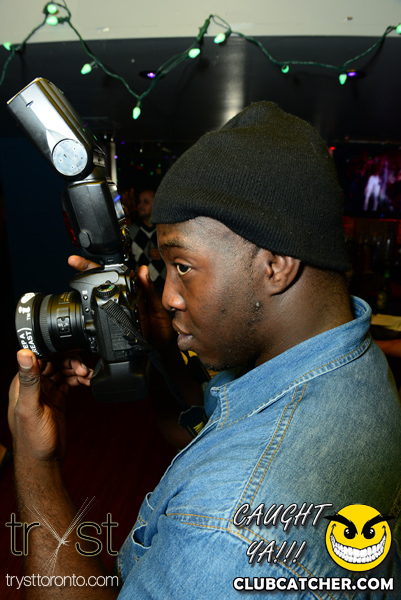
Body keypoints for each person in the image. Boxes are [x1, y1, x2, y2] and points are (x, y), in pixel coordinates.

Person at [8, 102, 401, 599]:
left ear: (276, 265)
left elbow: (236, 481)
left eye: (183, 267)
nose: (168, 296)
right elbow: (213, 433)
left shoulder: (232, 528)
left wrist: (35, 463)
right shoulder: (347, 360)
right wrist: (159, 346)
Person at [128, 188, 166, 293]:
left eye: (146, 202)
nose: (141, 205)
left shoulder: (165, 230)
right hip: (141, 290)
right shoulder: (131, 231)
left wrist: (164, 254)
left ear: (156, 204)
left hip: (164, 287)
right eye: (139, 202)